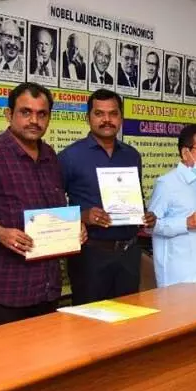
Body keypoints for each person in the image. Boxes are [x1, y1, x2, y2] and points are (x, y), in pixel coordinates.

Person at [0, 83, 85, 328]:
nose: (34, 120)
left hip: (46, 287)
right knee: (6, 363)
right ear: (9, 114)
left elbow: (54, 208)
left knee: (44, 361)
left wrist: (74, 228)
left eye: (41, 114)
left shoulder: (50, 157)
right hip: (3, 289)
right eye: (26, 112)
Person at [58, 89, 155, 304]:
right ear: (88, 118)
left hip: (129, 252)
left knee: (128, 317)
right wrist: (83, 215)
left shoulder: (132, 155)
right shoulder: (70, 156)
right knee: (90, 322)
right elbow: (53, 206)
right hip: (91, 255)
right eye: (99, 114)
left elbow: (136, 199)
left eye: (113, 114)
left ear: (121, 117)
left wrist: (146, 216)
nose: (107, 120)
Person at [148, 125, 196, 287]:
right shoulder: (167, 183)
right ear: (185, 152)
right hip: (180, 275)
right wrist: (186, 223)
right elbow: (150, 226)